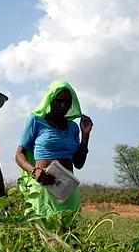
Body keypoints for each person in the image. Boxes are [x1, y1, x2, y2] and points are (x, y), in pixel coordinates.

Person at [15, 81, 93, 216]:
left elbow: (79, 164)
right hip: (43, 183)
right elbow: (19, 154)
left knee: (67, 232)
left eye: (68, 102)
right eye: (59, 101)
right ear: (50, 100)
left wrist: (85, 135)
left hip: (67, 188)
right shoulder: (36, 121)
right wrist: (35, 171)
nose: (64, 106)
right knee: (45, 231)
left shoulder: (73, 127)